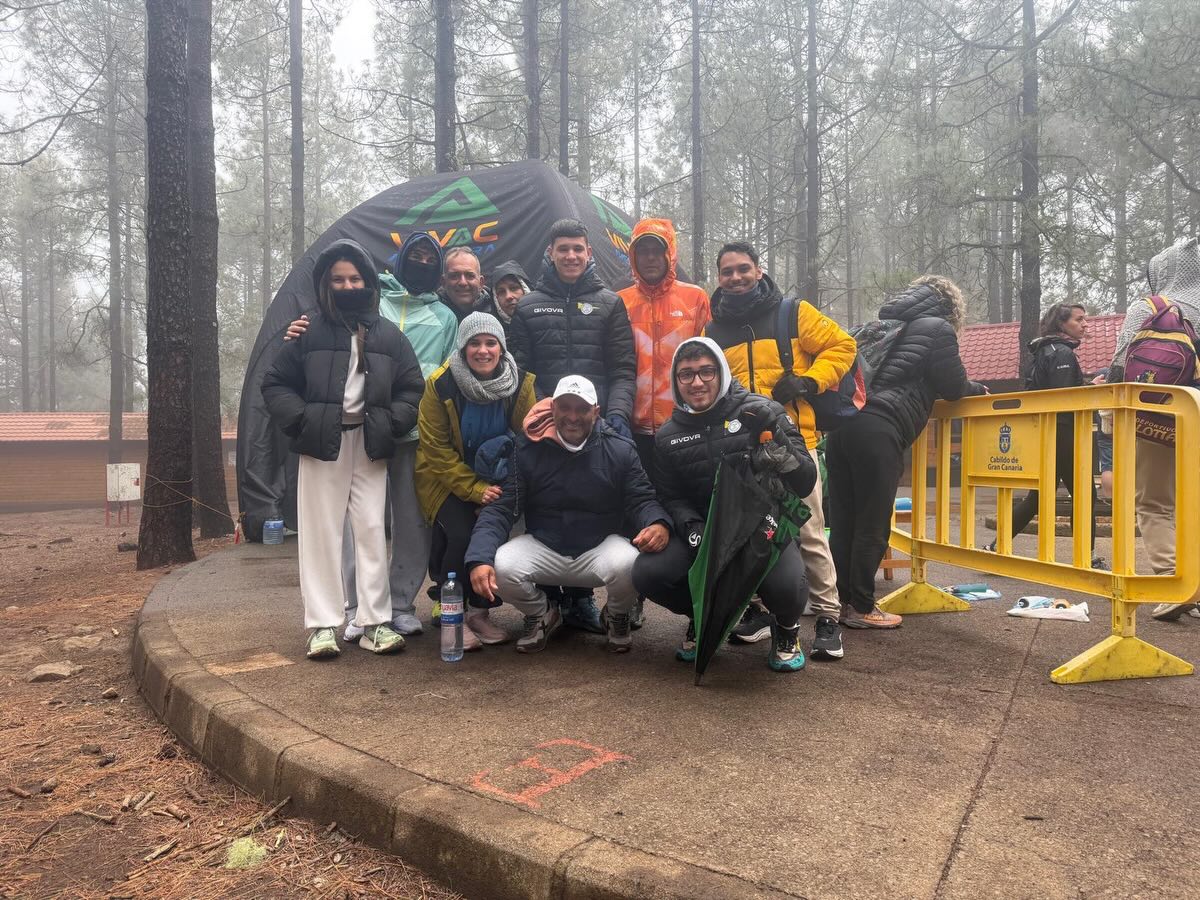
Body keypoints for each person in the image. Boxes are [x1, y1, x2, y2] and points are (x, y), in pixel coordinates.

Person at [286, 232, 458, 637]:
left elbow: (438, 375)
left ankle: (397, 605)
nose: (421, 263)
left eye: (429, 258)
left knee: (410, 523)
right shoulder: (368, 304)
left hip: (413, 433)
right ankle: (352, 607)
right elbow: (291, 372)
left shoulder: (445, 317)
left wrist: (408, 418)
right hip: (356, 433)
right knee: (351, 523)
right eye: (414, 255)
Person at [262, 239, 424, 659]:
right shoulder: (307, 331)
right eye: (338, 279)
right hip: (322, 445)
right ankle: (322, 626)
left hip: (370, 443)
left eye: (355, 278)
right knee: (320, 533)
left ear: (368, 282)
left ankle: (375, 623)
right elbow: (275, 383)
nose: (347, 286)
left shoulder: (389, 335)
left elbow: (411, 386)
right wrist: (304, 420)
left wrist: (391, 422)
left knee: (371, 530)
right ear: (324, 284)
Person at [704, 241, 855, 651]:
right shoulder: (712, 330)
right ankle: (757, 610)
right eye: (727, 272)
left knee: (809, 532)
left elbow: (843, 346)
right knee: (748, 534)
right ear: (718, 278)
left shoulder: (792, 313)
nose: (735, 277)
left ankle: (827, 617)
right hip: (742, 449)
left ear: (758, 270)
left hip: (796, 443)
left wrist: (810, 381)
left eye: (743, 269)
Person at [633, 338, 818, 670]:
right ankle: (703, 615)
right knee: (649, 572)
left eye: (706, 371)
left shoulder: (763, 411)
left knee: (788, 586)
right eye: (686, 374)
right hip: (706, 530)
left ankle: (787, 628)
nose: (697, 382)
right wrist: (692, 527)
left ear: (722, 372)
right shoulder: (667, 435)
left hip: (762, 529)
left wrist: (777, 440)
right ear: (676, 380)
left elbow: (805, 481)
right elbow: (670, 495)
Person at [464, 375, 671, 654]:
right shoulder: (527, 447)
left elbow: (642, 499)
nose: (572, 417)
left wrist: (658, 523)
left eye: (582, 409)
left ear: (596, 412)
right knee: (497, 565)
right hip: (545, 545)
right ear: (553, 408)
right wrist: (479, 558)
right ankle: (542, 612)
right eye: (565, 407)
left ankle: (616, 615)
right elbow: (502, 508)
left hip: (599, 547)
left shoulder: (620, 448)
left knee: (635, 565)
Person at [824, 276, 986, 628]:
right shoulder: (938, 328)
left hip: (842, 427)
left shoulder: (882, 326)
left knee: (844, 521)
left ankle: (841, 603)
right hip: (879, 429)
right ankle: (862, 607)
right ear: (950, 306)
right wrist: (977, 388)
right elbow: (953, 386)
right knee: (871, 522)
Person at [508, 218, 639, 633]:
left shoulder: (609, 303)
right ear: (550, 252)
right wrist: (535, 418)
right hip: (546, 427)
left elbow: (623, 369)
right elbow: (520, 372)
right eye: (562, 248)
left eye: (577, 248)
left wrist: (616, 416)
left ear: (588, 253)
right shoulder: (528, 306)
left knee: (591, 503)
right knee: (545, 506)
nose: (570, 255)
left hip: (595, 425)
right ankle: (549, 600)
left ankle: (582, 600)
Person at [415, 312, 538, 649]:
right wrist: (474, 490)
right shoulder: (441, 384)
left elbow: (527, 439)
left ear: (501, 347)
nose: (483, 351)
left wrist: (502, 489)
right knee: (461, 534)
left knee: (491, 534)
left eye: (490, 343)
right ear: (463, 348)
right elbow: (436, 448)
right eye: (474, 343)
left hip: (495, 477)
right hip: (444, 476)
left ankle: (479, 614)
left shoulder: (519, 384)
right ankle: (452, 616)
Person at [1109, 237, 1200, 621]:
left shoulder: (1151, 307)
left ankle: (1172, 582)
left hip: (1159, 421)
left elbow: (1119, 365)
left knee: (1154, 502)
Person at [989, 302, 1101, 566]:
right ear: (1061, 323)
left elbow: (1053, 389)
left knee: (1039, 496)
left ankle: (997, 546)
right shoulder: (1062, 353)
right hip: (1064, 432)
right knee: (1085, 496)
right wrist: (1091, 390)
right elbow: (1062, 398)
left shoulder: (1044, 350)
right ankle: (1086, 559)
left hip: (1047, 432)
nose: (1085, 324)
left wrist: (1086, 385)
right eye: (1079, 319)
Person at [616, 218, 711, 472]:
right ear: (633, 256)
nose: (650, 258)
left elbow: (711, 361)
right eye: (643, 251)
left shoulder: (695, 298)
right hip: (632, 427)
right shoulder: (619, 302)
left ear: (670, 253)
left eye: (657, 251)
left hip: (685, 422)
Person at [473, 259, 530, 336]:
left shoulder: (545, 319)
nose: (508, 296)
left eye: (513, 288)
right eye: (501, 292)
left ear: (525, 289)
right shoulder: (489, 332)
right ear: (495, 299)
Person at [439, 247, 488, 321]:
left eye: (470, 276)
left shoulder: (497, 311)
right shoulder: (430, 314)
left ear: (481, 283)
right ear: (443, 282)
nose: (463, 282)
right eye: (454, 276)